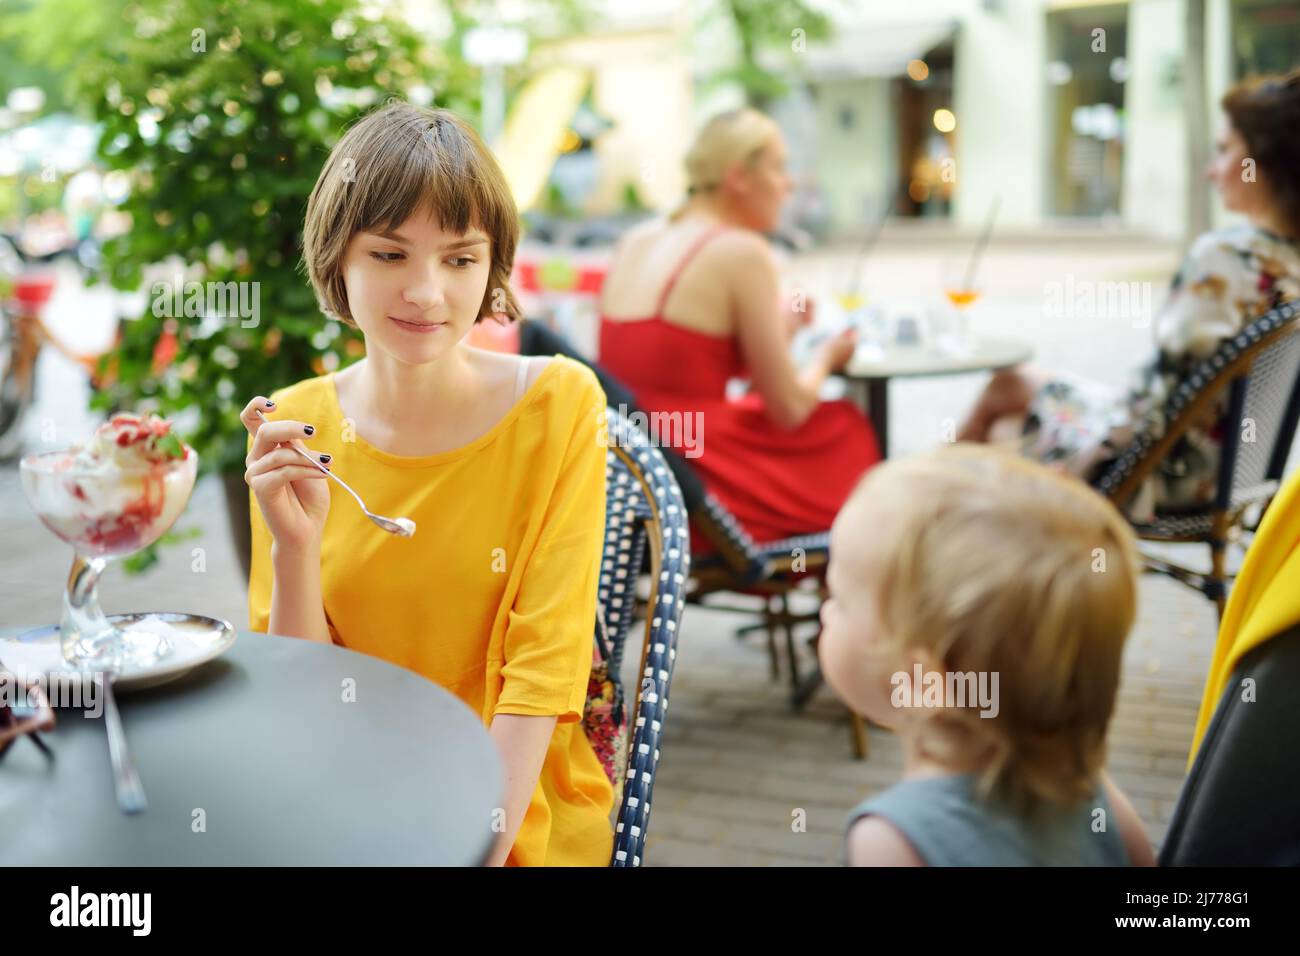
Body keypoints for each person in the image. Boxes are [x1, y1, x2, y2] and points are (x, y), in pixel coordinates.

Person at [244, 102, 613, 866]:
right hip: (347, 804)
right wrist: (293, 546)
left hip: (510, 804)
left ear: (492, 267)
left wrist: (469, 850)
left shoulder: (561, 405)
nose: (426, 292)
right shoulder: (296, 427)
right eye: (389, 255)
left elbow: (544, 672)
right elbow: (302, 703)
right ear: (336, 258)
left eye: (459, 258)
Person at [958, 71, 1300, 520]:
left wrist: (1078, 467)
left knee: (1005, 407)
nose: (1210, 170)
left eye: (1223, 151)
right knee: (1014, 390)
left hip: (1160, 475)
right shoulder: (1287, 262)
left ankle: (918, 521)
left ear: (1262, 160)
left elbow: (1155, 403)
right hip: (1232, 477)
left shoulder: (1225, 256)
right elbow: (1178, 390)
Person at [818, 445, 1155, 866]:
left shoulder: (892, 840)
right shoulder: (1088, 790)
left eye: (840, 600)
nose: (825, 612)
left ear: (922, 683)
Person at [598, 108, 880, 544]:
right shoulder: (740, 252)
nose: (789, 184)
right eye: (779, 168)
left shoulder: (637, 240)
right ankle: (861, 584)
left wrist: (779, 327)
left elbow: (675, 360)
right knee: (846, 425)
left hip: (629, 470)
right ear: (739, 177)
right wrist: (827, 357)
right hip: (697, 481)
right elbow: (788, 409)